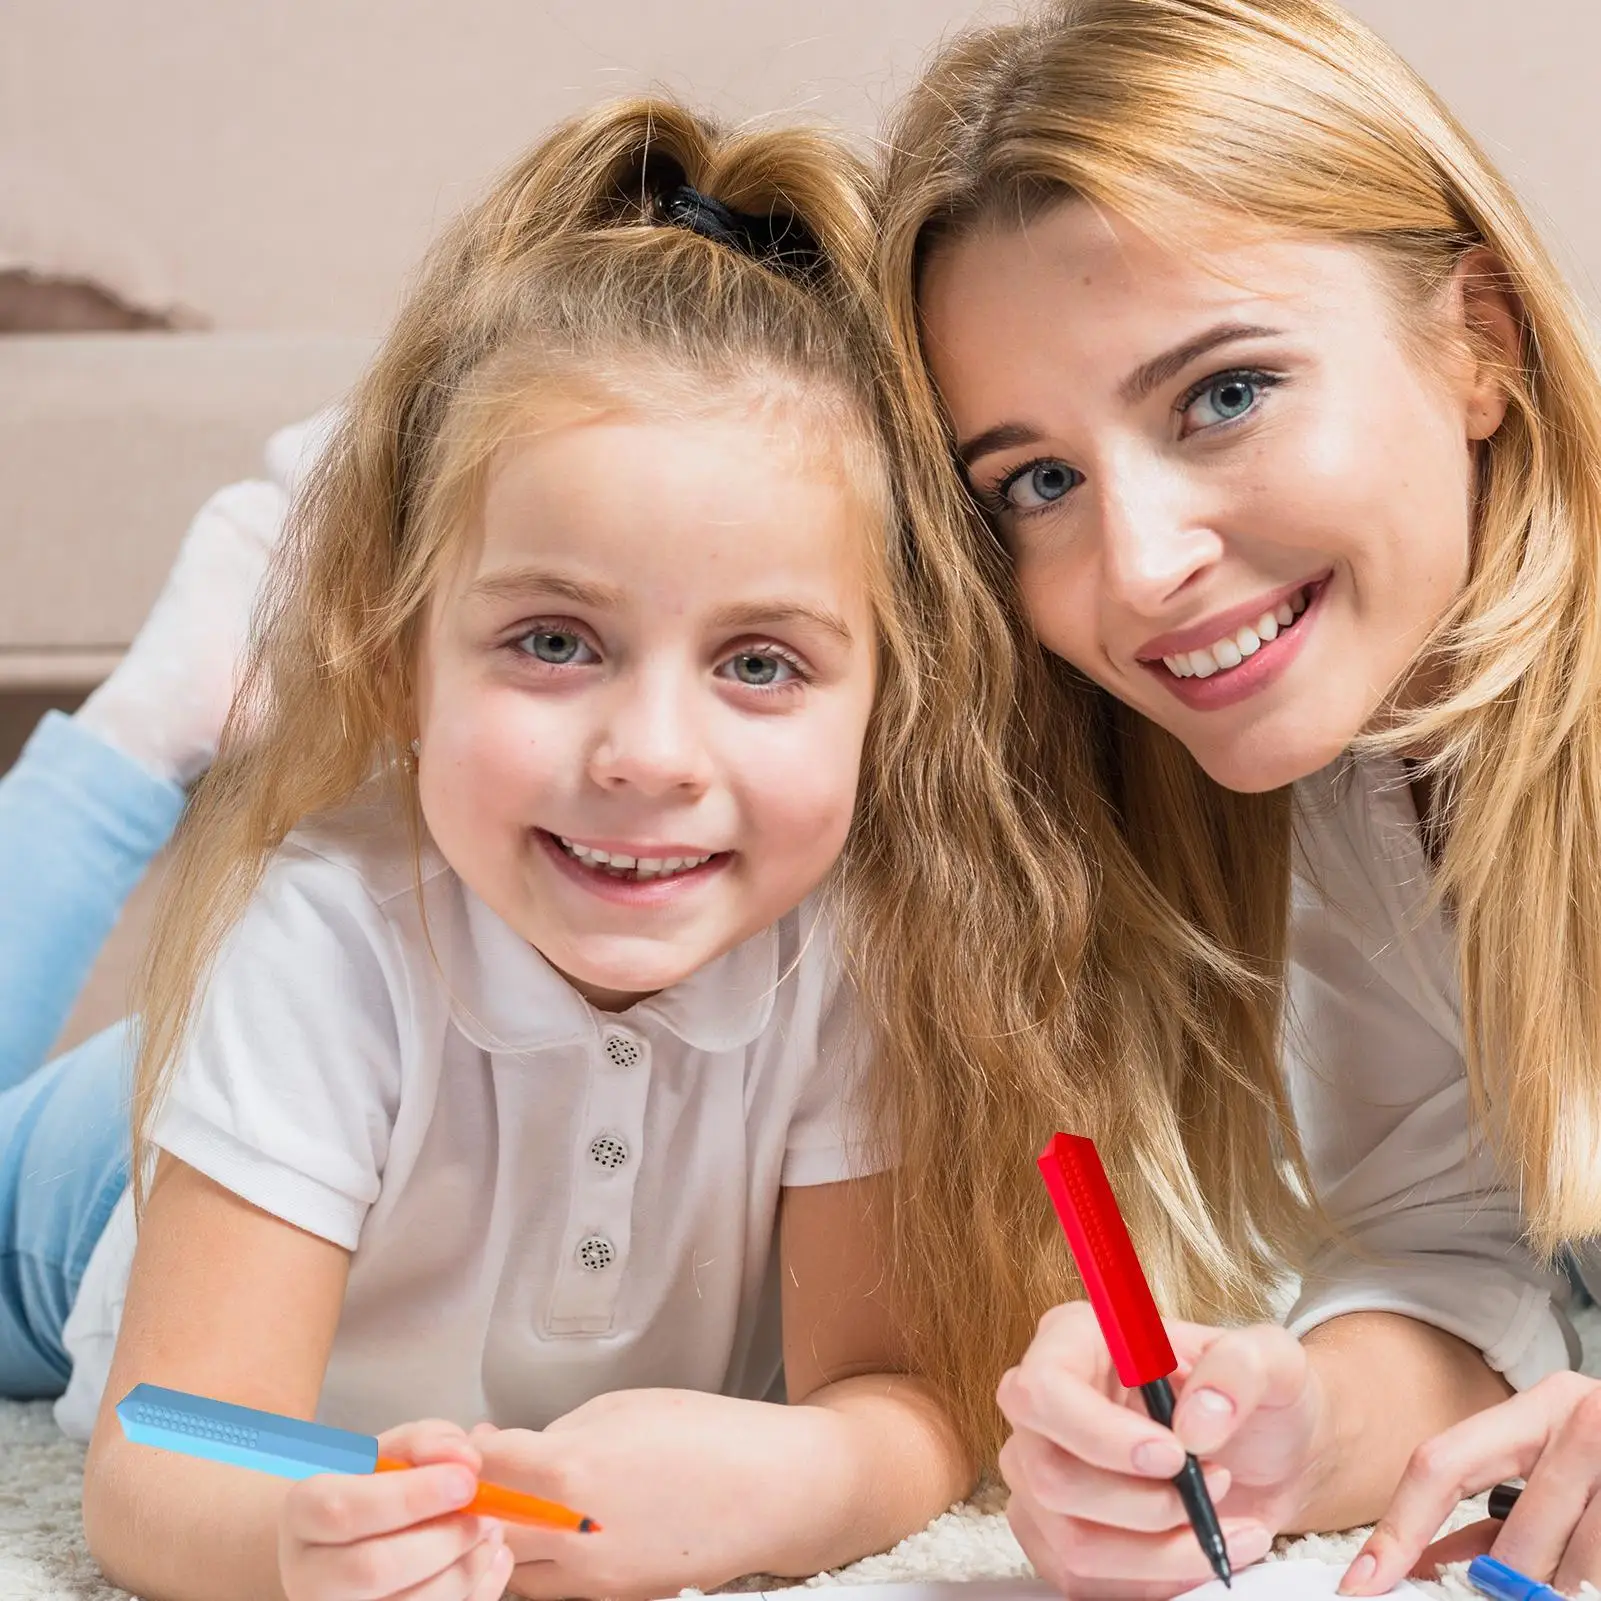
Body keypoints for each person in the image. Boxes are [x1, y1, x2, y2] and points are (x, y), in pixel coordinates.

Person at [0, 98, 980, 1601]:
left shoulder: (852, 954)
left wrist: (817, 1473)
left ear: (885, 704)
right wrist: (285, 1544)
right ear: (397, 665)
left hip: (308, 1111)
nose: (649, 754)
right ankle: (152, 720)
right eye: (553, 638)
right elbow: (155, 1463)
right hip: (82, 1204)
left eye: (762, 663)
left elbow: (901, 1404)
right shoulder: (320, 936)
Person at [862, 0, 1601, 1593]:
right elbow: (1468, 1256)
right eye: (1038, 483)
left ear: (1479, 337)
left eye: (1224, 394)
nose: (1134, 570)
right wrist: (1289, 1427)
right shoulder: (1348, 790)